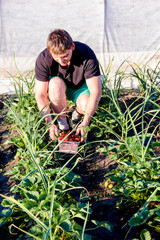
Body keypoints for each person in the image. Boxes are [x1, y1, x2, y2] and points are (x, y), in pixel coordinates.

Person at [34, 29, 102, 142]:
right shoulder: (43, 59)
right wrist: (49, 124)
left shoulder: (86, 54)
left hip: (81, 87)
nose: (61, 60)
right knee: (55, 84)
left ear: (72, 47)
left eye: (65, 55)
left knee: (86, 105)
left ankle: (76, 117)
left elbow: (96, 91)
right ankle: (63, 124)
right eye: (56, 57)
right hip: (58, 88)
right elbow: (40, 94)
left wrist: (85, 123)